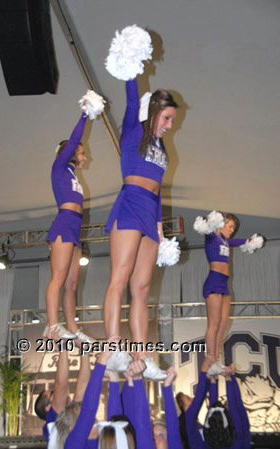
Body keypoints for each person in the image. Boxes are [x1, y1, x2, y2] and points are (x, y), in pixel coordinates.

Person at [103, 74, 178, 379]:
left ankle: (143, 356)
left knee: (142, 289)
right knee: (119, 280)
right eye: (168, 118)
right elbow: (132, 98)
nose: (170, 125)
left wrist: (160, 226)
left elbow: (159, 188)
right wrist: (133, 67)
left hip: (150, 213)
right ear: (155, 110)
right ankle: (112, 348)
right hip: (130, 204)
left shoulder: (161, 147)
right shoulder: (134, 130)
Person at [44, 92, 104, 341]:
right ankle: (53, 325)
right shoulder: (59, 167)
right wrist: (85, 114)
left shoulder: (72, 175)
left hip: (75, 229)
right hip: (63, 225)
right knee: (58, 277)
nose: (84, 156)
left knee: (71, 283)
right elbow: (75, 138)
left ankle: (73, 327)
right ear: (67, 152)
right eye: (81, 152)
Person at [194, 211, 263, 375]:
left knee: (224, 323)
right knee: (214, 323)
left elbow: (241, 241)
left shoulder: (226, 241)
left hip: (224, 283)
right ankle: (210, 357)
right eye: (230, 226)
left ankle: (216, 359)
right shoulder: (212, 236)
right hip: (214, 281)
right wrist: (209, 223)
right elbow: (204, 227)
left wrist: (250, 241)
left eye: (234, 227)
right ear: (221, 224)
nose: (232, 230)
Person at [184, 360, 251, 449]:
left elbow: (235, 406)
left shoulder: (206, 444)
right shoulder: (238, 439)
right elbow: (236, 406)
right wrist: (228, 377)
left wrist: (216, 379)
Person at [34, 345, 91, 445]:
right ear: (49, 407)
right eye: (53, 393)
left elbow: (83, 387)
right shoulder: (53, 420)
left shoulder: (69, 414)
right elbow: (61, 385)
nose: (57, 393)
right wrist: (62, 345)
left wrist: (84, 349)